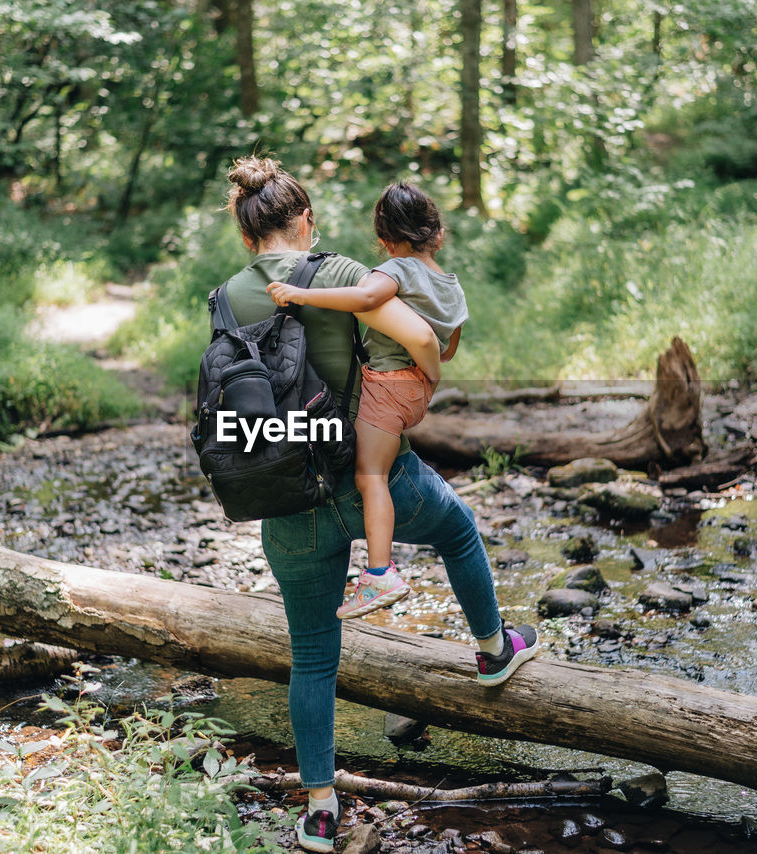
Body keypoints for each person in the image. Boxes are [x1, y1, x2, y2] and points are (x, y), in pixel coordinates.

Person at [219, 155, 538, 854]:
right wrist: (427, 383)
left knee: (311, 658)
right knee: (457, 530)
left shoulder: (228, 296)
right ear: (306, 221)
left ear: (247, 238)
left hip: (287, 502)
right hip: (374, 478)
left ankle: (321, 812)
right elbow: (422, 337)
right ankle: (492, 650)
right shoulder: (339, 275)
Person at [266, 183, 462, 621]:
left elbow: (367, 298)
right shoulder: (450, 285)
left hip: (388, 385)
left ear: (384, 239)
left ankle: (379, 572)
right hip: (416, 393)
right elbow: (446, 348)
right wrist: (429, 371)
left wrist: (300, 295)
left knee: (370, 475)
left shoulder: (396, 270)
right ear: (439, 235)